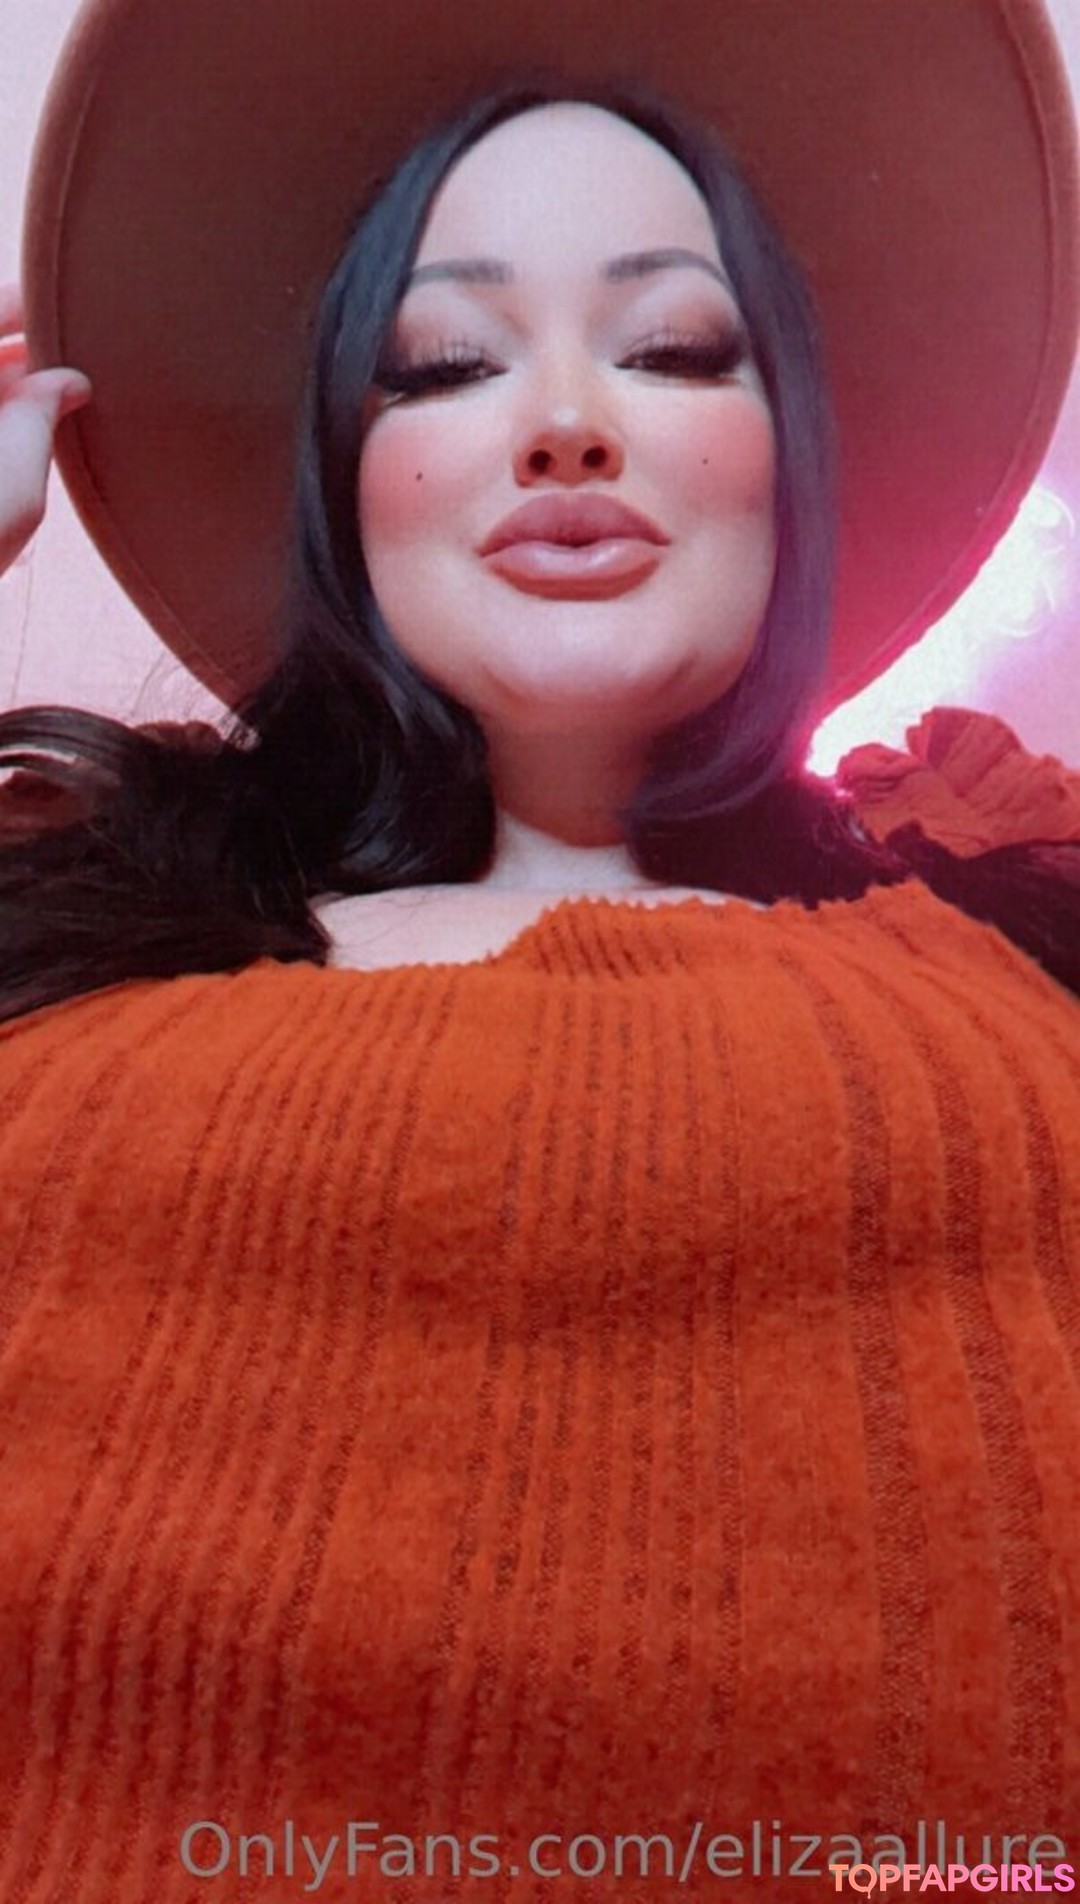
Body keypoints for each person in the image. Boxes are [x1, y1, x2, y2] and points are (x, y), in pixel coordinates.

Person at [0, 2, 1078, 1899]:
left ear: (790, 456)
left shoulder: (1012, 913)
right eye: (441, 366)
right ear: (342, 476)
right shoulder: (80, 910)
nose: (566, 421)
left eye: (673, 348)